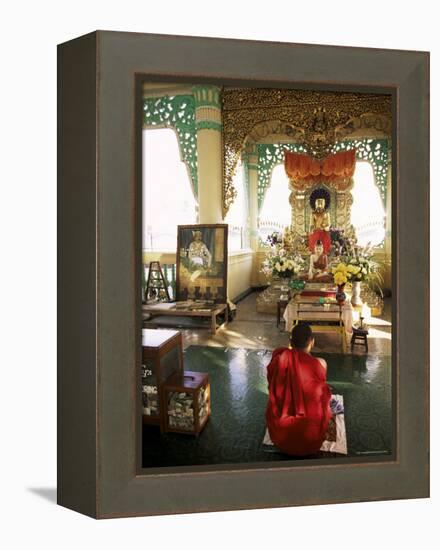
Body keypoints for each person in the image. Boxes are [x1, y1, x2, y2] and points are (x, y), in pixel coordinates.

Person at [265, 324, 332, 456]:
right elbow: (321, 394)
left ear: (290, 342)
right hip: (311, 438)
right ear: (312, 341)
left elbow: (272, 385)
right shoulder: (321, 364)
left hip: (280, 436)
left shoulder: (280, 360)